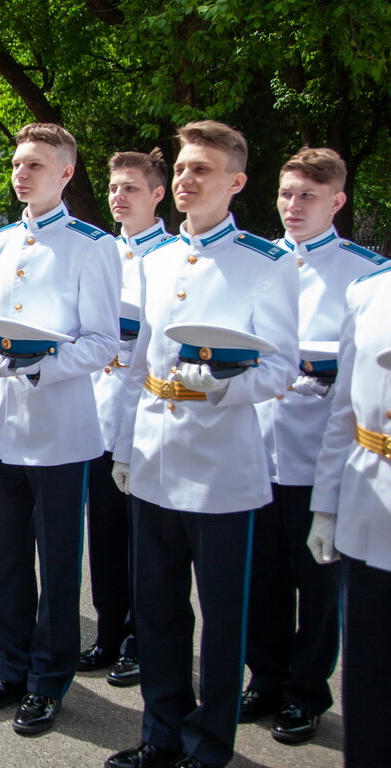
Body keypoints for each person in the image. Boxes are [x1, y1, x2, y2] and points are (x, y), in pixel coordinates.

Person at [107, 121, 298, 768]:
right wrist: (126, 450)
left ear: (237, 182)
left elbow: (279, 371)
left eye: (202, 171)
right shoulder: (154, 259)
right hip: (157, 458)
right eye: (183, 168)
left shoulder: (266, 263)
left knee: (221, 622)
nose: (186, 181)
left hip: (223, 468)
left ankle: (209, 746)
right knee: (158, 612)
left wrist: (219, 385)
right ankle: (161, 734)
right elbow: (137, 365)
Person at [0, 123, 120, 737]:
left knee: (57, 563)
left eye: (36, 164)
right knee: (3, 560)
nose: (21, 173)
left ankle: (49, 681)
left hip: (59, 430)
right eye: (16, 163)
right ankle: (11, 667)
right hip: (3, 426)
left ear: (66, 173)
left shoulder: (92, 245)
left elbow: (104, 342)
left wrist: (45, 366)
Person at [245, 148, 385, 744]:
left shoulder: (364, 272)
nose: (293, 206)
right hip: (256, 446)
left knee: (317, 586)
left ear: (337, 202)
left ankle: (306, 693)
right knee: (263, 579)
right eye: (286, 194)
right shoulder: (255, 260)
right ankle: (266, 679)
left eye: (307, 196)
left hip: (319, 455)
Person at [80, 149, 171, 689]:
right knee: (105, 536)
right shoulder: (100, 251)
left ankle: (142, 640)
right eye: (114, 187)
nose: (119, 197)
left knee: (147, 543)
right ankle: (109, 633)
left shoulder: (172, 256)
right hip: (96, 410)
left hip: (146, 413)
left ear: (157, 195)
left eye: (131, 188)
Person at [309, 259, 391, 767]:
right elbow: (343, 413)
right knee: (368, 678)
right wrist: (326, 506)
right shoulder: (368, 291)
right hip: (368, 505)